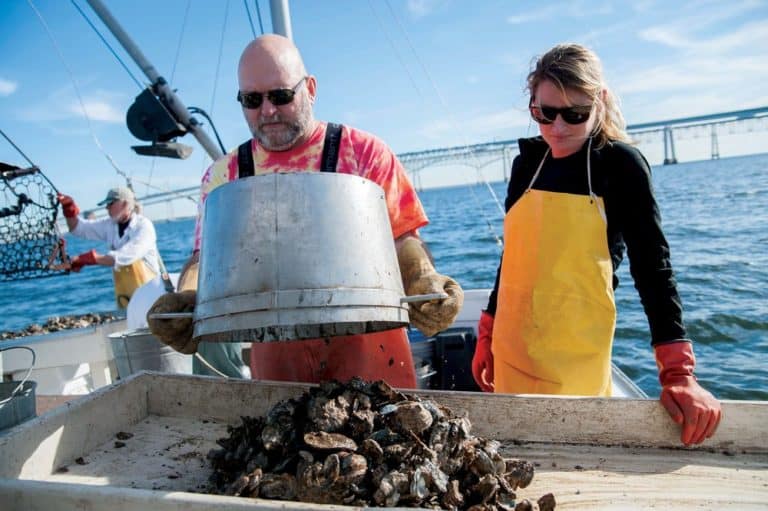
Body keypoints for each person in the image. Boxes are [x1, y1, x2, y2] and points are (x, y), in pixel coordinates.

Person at [147, 34, 463, 388]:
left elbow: (403, 238)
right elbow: (205, 259)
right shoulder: (224, 175)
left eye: (281, 95)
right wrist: (186, 301)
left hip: (373, 348)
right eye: (252, 100)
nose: (267, 111)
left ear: (310, 88)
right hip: (277, 355)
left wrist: (424, 279)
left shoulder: (364, 153)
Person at [471, 43, 721, 445]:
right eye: (544, 112)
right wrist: (487, 331)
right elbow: (512, 257)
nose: (557, 127)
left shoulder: (619, 165)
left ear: (599, 102)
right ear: (532, 104)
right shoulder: (525, 165)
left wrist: (678, 374)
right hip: (511, 350)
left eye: (575, 114)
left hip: (575, 360)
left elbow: (653, 270)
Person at [58, 186, 160, 309]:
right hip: (126, 302)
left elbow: (125, 256)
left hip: (153, 299)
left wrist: (89, 259)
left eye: (110, 204)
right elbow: (78, 228)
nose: (107, 208)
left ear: (125, 204)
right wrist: (69, 210)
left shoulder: (143, 226)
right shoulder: (110, 225)